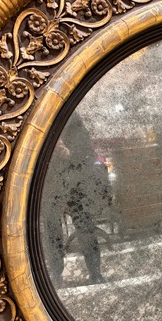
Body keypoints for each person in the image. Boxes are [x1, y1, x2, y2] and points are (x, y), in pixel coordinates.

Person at [41, 112, 110, 287]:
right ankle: (55, 275)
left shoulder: (70, 116)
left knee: (85, 227)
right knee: (52, 231)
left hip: (75, 183)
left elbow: (85, 150)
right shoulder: (40, 118)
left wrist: (67, 153)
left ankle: (95, 272)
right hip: (49, 182)